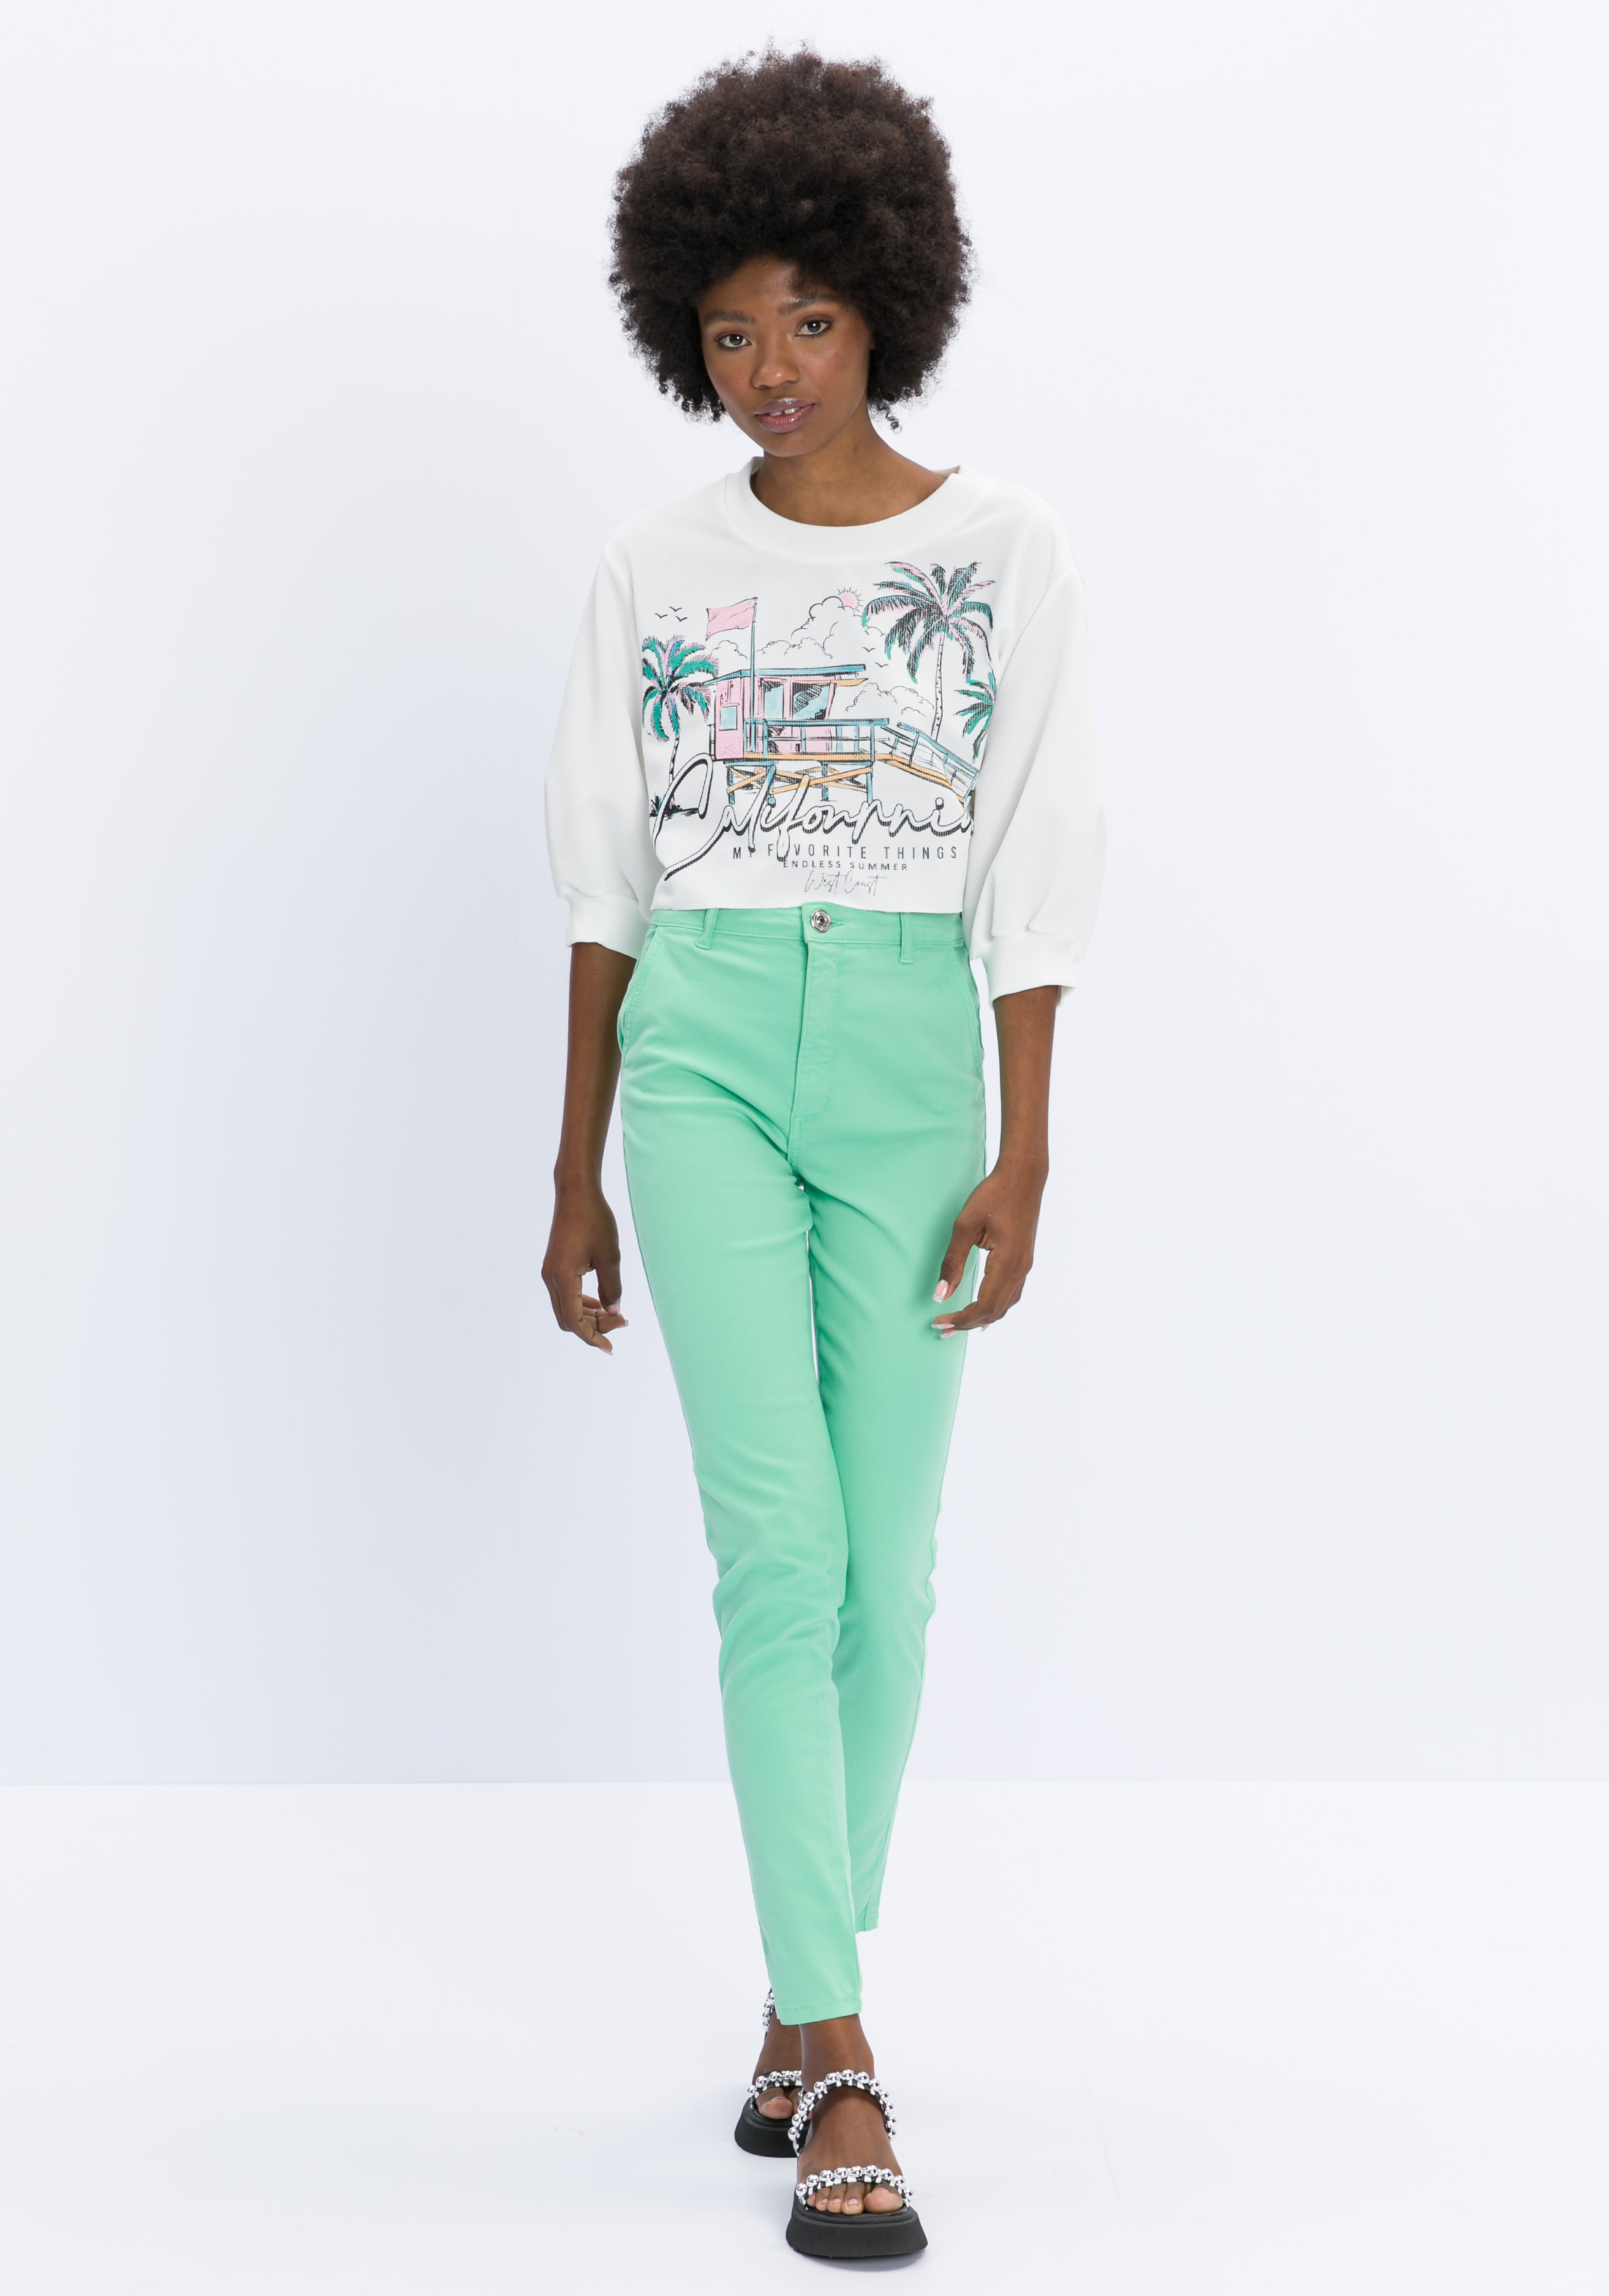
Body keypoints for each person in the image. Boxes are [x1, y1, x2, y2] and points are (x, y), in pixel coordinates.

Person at [542, 47, 1104, 2259]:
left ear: (888, 306)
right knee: (777, 1551)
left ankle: (793, 1991)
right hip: (698, 1054)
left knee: (893, 1572)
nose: (768, 368)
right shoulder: (651, 567)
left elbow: (1037, 861)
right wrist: (573, 1166)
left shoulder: (1005, 552)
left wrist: (1026, 1147)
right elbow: (604, 882)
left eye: (809, 319)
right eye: (727, 332)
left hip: (907, 1057)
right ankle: (847, 2050)